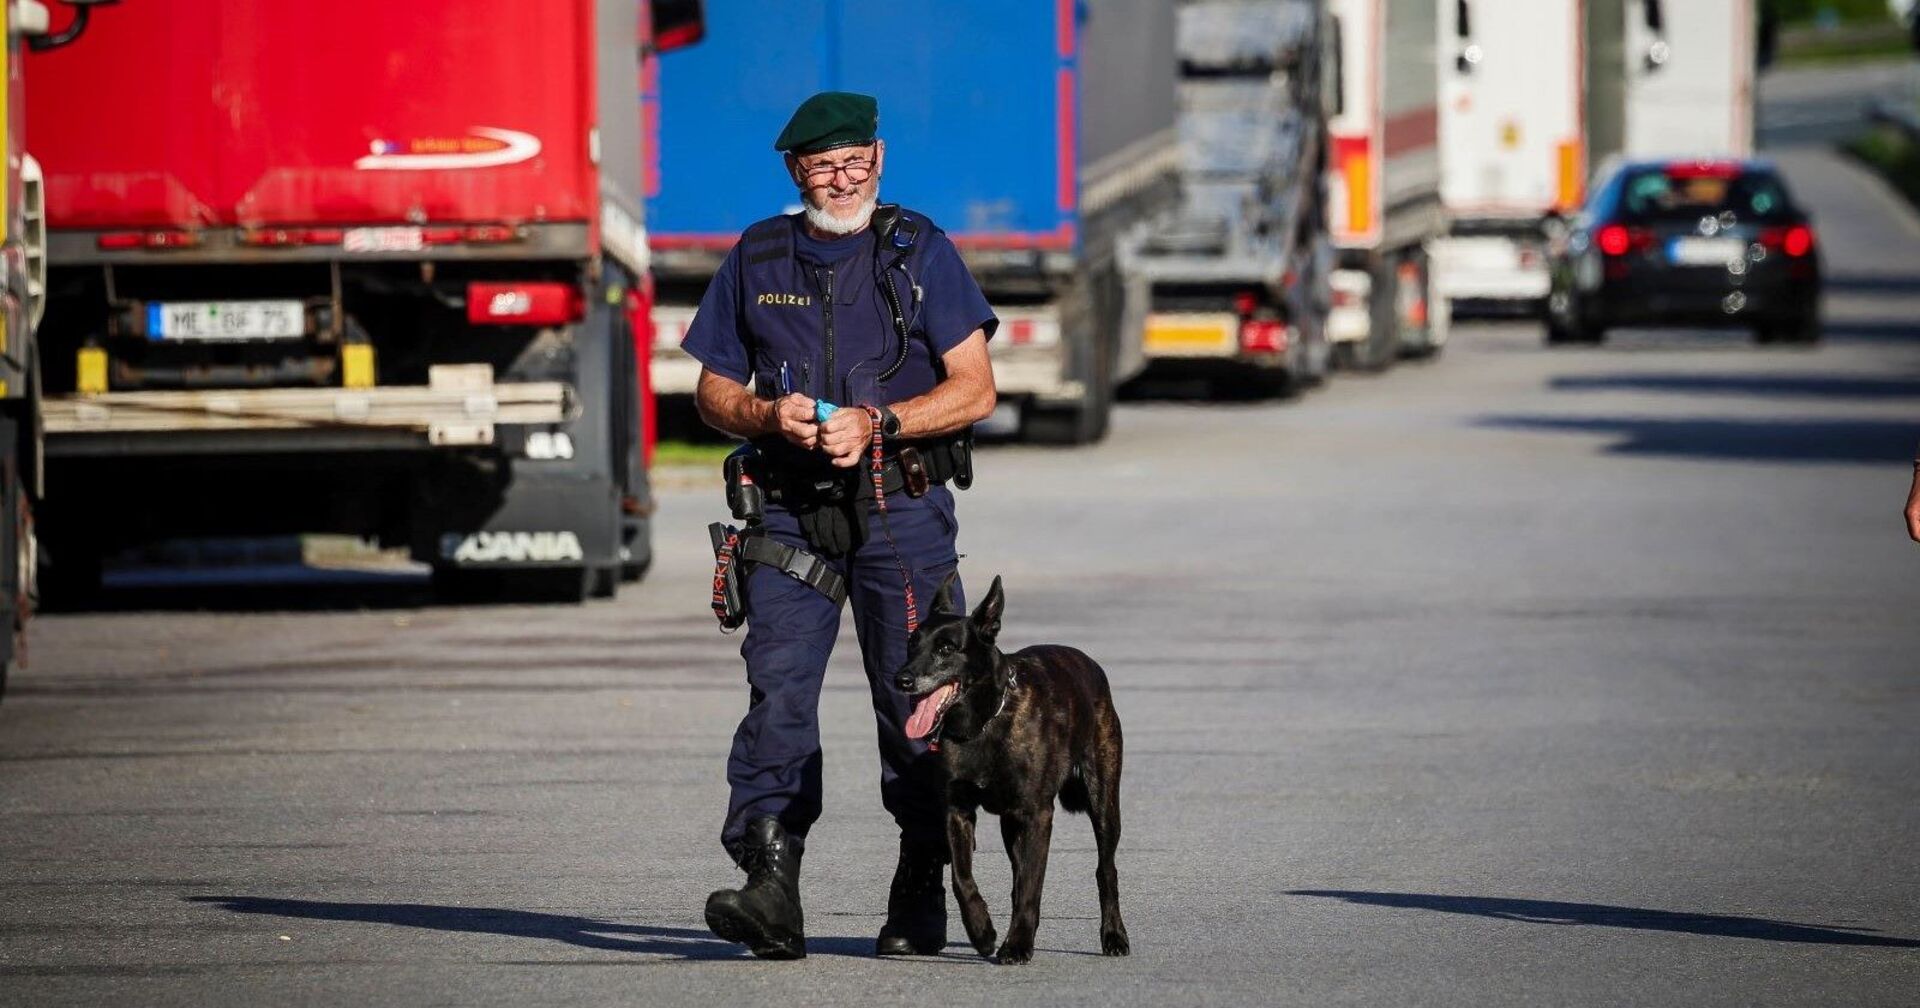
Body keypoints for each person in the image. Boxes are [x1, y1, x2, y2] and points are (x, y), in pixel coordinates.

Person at [680, 91, 998, 960]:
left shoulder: (920, 249)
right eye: (825, 165)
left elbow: (976, 386)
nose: (843, 178)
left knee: (921, 706)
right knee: (778, 695)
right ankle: (770, 882)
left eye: (857, 160)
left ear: (880, 158)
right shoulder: (758, 252)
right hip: (787, 510)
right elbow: (710, 389)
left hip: (904, 512)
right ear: (796, 171)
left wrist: (883, 423)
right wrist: (760, 414)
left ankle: (922, 880)